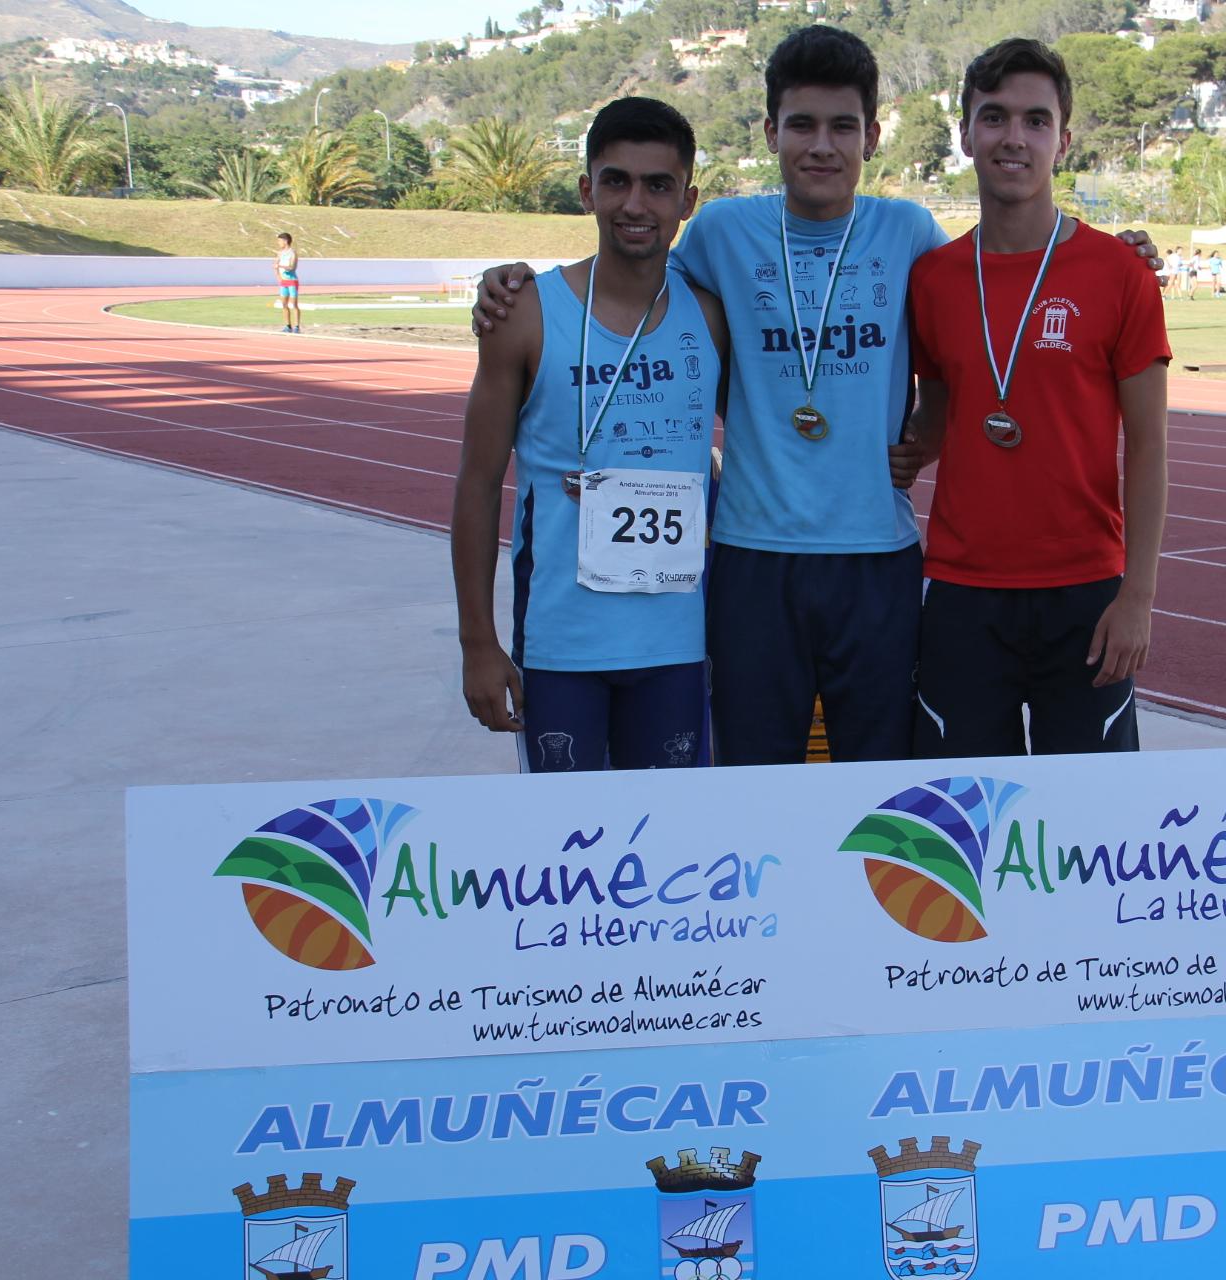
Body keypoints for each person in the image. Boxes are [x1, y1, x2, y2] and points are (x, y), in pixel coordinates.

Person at [473, 26, 1162, 766]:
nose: (822, 146)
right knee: (757, 775)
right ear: (771, 132)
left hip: (877, 560)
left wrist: (1119, 254)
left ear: (872, 136)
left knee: (876, 781)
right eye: (801, 125)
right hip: (754, 560)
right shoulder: (721, 232)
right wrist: (518, 283)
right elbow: (632, 272)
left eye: (843, 127)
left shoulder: (910, 234)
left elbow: (989, 302)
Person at [901, 38, 1170, 758]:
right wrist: (898, 453)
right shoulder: (933, 278)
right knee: (962, 813)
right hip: (963, 592)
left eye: (1036, 120)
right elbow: (937, 416)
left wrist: (1137, 597)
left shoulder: (1119, 272)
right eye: (993, 117)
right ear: (966, 135)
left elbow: (1149, 446)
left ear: (1064, 140)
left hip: (1086, 593)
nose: (1014, 138)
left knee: (1090, 818)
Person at [450, 97, 728, 773]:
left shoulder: (711, 318)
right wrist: (478, 643)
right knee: (563, 834)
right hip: (561, 645)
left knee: (670, 832)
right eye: (616, 182)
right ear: (586, 191)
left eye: (658, 185)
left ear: (687, 200)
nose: (635, 204)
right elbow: (478, 484)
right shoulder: (526, 312)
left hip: (677, 645)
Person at [274, 232, 301, 333]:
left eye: (280, 241)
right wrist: (278, 277)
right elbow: (275, 265)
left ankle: (297, 326)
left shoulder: (292, 253)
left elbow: (292, 267)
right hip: (283, 282)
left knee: (294, 304)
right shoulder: (280, 253)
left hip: (292, 281)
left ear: (285, 241)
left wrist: (280, 266)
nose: (278, 243)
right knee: (284, 304)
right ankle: (288, 326)